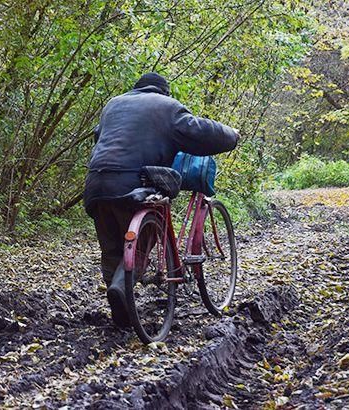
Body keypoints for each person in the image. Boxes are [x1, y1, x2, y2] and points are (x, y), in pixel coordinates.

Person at [84, 72, 239, 327]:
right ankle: (122, 289)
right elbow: (200, 131)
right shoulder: (167, 107)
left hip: (96, 183)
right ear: (163, 91)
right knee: (145, 238)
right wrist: (231, 135)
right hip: (133, 184)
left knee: (112, 247)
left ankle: (121, 312)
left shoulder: (113, 104)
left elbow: (99, 137)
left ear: (137, 89)